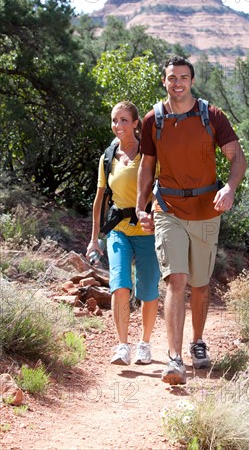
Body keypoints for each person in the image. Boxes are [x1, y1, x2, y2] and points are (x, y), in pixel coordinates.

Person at [136, 56, 247, 385]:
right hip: (167, 207)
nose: (177, 82)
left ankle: (197, 341)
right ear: (164, 81)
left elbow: (237, 157)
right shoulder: (152, 120)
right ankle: (174, 358)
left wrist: (229, 187)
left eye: (183, 77)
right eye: (172, 78)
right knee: (176, 280)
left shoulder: (211, 116)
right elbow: (146, 166)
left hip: (206, 209)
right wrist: (141, 207)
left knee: (200, 285)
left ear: (192, 81)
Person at [87, 101, 160, 367]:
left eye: (124, 120)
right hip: (117, 231)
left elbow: (160, 193)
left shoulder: (150, 155)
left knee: (148, 290)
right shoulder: (107, 157)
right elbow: (99, 201)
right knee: (119, 286)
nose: (118, 126)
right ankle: (122, 346)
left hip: (147, 232)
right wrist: (94, 240)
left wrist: (156, 218)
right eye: (115, 120)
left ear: (136, 123)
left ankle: (145, 344)